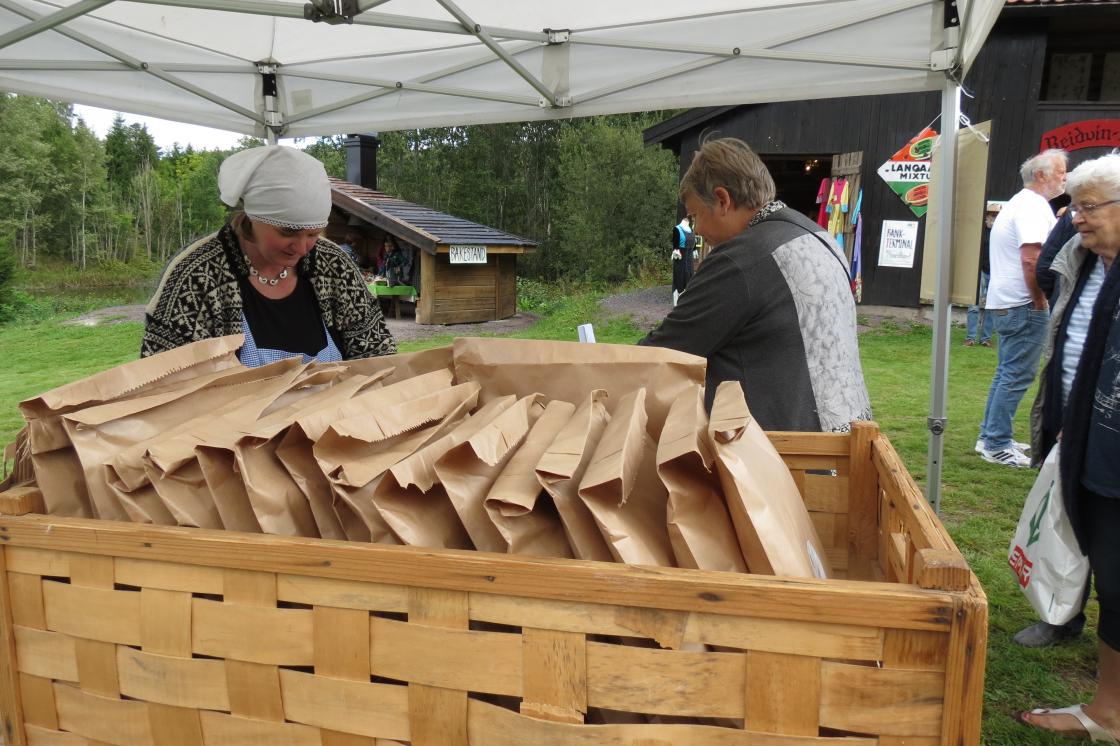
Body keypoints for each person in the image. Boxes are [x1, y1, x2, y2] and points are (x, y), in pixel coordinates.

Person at [638, 137, 872, 432]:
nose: (696, 229)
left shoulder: (740, 260)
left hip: (791, 456)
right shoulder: (817, 235)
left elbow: (665, 351)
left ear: (722, 200)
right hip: (848, 434)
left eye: (695, 216)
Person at [1018, 152, 1120, 742]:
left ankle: (1108, 713)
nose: (1075, 218)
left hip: (1110, 446)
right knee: (1099, 555)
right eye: (1073, 206)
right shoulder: (1087, 261)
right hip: (1087, 430)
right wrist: (1069, 420)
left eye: (1088, 208)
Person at [142, 145, 396, 366]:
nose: (301, 247)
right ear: (253, 216)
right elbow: (162, 380)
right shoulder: (196, 276)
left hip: (331, 419)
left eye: (313, 234)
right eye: (288, 232)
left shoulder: (334, 265)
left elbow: (377, 353)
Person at [976, 149, 1068, 467]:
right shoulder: (1032, 207)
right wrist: (1040, 297)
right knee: (1016, 375)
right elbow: (1032, 259)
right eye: (1060, 171)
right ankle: (995, 442)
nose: (1064, 177)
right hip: (1023, 302)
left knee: (1007, 373)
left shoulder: (1019, 204)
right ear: (1040, 175)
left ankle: (991, 435)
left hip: (1008, 300)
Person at [964, 202, 1000, 347]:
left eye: (996, 214)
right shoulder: (979, 232)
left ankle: (985, 338)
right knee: (974, 305)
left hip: (996, 272)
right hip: (980, 271)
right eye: (991, 214)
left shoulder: (1001, 232)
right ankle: (970, 337)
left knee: (991, 307)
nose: (993, 217)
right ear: (986, 216)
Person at [671, 214, 695, 306]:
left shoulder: (691, 230)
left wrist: (695, 249)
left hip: (689, 258)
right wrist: (675, 251)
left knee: (689, 275)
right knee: (679, 277)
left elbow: (694, 243)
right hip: (680, 257)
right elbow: (675, 244)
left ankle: (688, 300)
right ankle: (676, 302)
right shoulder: (677, 229)